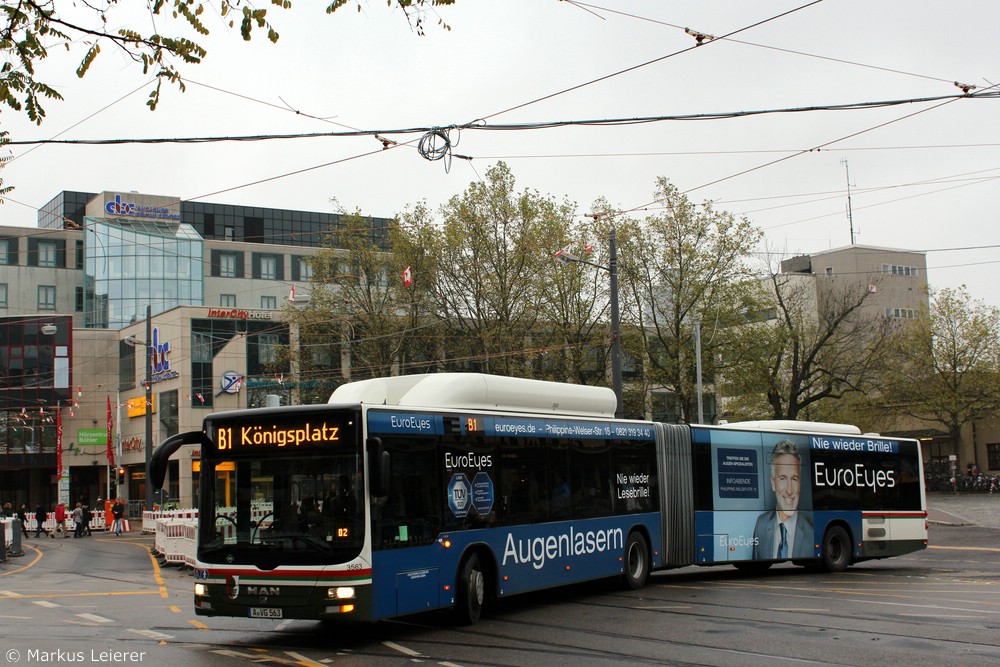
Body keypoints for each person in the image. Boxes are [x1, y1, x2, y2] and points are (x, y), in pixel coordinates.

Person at [752, 440, 815, 559]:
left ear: (800, 483)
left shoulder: (813, 532)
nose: (790, 490)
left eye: (794, 479)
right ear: (773, 483)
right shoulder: (761, 525)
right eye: (782, 478)